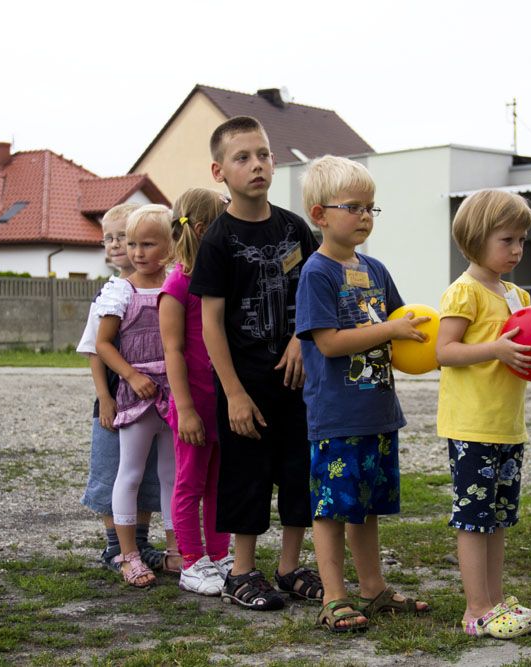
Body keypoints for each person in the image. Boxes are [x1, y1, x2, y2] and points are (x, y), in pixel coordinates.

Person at [189, 116, 323, 611]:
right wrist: (234, 393)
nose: (257, 165)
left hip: (298, 378)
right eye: (243, 157)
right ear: (219, 170)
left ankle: (289, 568)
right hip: (244, 383)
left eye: (263, 154)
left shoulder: (295, 229)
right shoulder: (217, 240)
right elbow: (211, 323)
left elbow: (315, 293)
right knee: (247, 475)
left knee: (296, 471)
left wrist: (300, 340)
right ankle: (241, 572)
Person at [295, 156, 431, 632]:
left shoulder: (375, 269)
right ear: (319, 215)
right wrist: (390, 329)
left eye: (371, 207)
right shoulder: (317, 273)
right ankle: (334, 596)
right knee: (333, 508)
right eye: (353, 207)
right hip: (337, 416)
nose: (365, 216)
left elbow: (400, 327)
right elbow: (329, 342)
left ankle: (372, 589)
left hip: (377, 411)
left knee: (366, 506)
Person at [435, 189, 531, 639]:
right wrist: (495, 348)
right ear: (476, 239)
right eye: (507, 240)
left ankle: (496, 601)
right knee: (473, 519)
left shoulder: (517, 293)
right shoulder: (464, 292)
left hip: (506, 426)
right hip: (472, 427)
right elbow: (445, 351)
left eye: (521, 240)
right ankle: (476, 609)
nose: (517, 250)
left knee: (498, 518)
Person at [76, 202, 165, 573]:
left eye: (123, 237)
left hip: (151, 398)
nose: (116, 245)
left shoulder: (161, 286)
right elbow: (95, 350)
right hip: (116, 398)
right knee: (113, 470)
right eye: (109, 238)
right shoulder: (109, 294)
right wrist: (105, 398)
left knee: (146, 475)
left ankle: (140, 544)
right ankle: (115, 546)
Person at [95, 204, 179, 587]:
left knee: (170, 476)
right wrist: (130, 375)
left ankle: (177, 550)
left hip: (172, 395)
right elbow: (103, 345)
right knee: (128, 473)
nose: (138, 252)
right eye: (132, 244)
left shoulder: (176, 284)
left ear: (170, 246)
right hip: (136, 394)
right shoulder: (120, 291)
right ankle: (127, 554)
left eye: (148, 244)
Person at [159, 188, 232, 596]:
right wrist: (185, 410)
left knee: (219, 484)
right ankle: (191, 561)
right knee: (190, 483)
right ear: (204, 230)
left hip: (221, 404)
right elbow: (173, 351)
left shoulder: (216, 282)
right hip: (194, 407)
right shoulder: (177, 285)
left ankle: (219, 555)